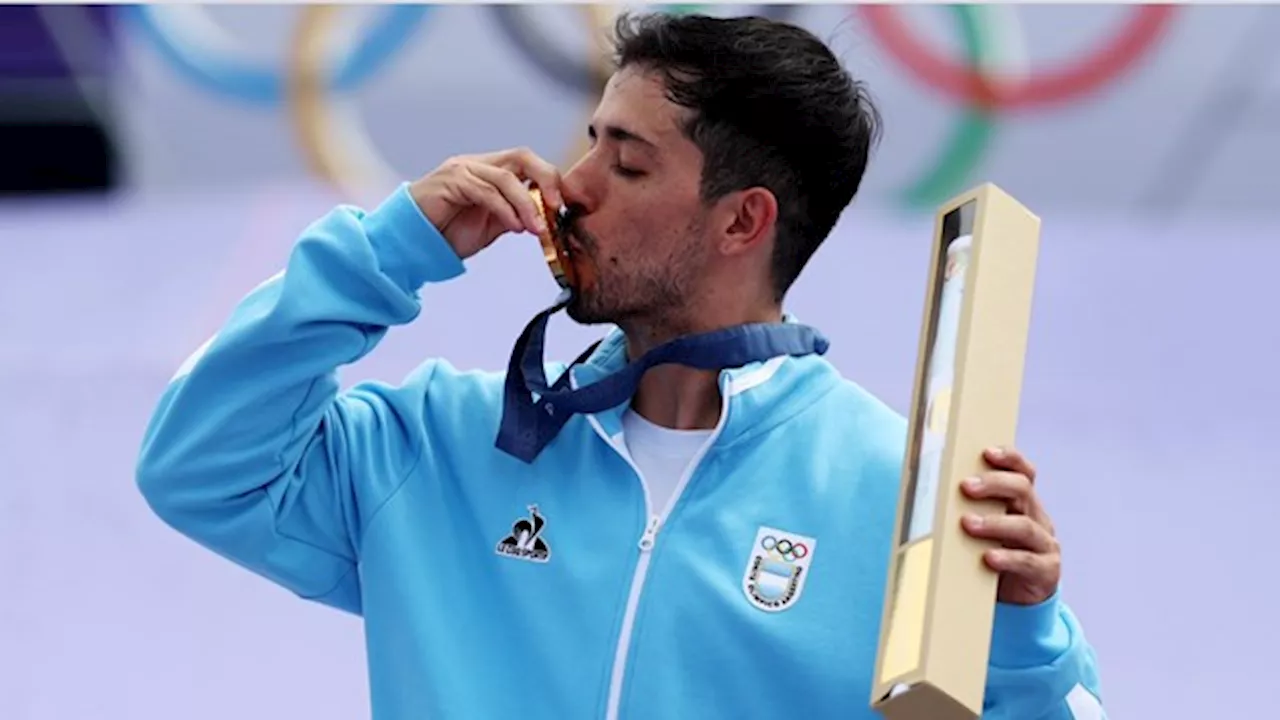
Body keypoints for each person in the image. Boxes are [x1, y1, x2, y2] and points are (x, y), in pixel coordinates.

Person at [136, 12, 1104, 720]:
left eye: (627, 165)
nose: (571, 188)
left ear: (741, 220)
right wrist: (384, 252)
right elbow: (198, 467)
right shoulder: (436, 445)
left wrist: (1019, 637)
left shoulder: (902, 494)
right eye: (588, 143)